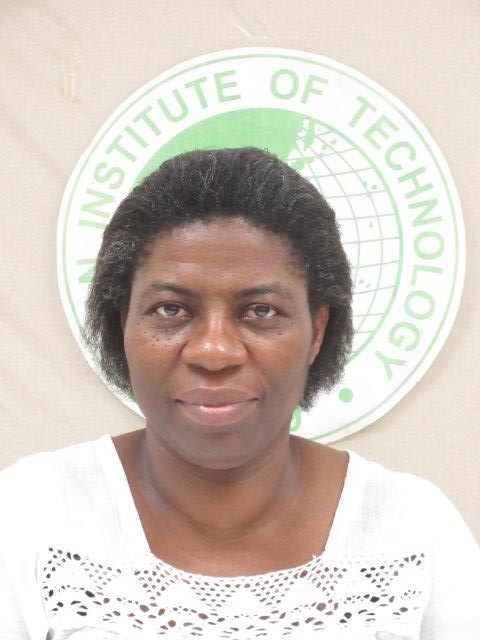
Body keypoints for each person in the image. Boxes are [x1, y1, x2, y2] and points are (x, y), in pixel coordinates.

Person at [0, 148, 478, 639]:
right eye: (171, 310)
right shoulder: (29, 513)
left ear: (316, 332)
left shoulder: (414, 530)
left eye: (261, 312)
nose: (214, 352)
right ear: (123, 325)